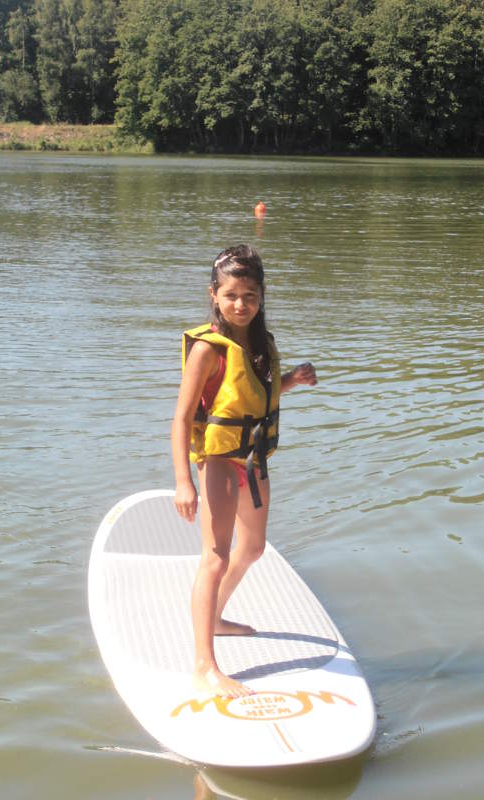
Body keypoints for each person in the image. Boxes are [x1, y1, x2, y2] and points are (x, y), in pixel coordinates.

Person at [171, 245, 317, 698]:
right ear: (213, 295)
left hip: (253, 461)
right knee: (215, 557)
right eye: (231, 295)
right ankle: (204, 667)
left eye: (250, 295)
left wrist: (291, 381)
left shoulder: (261, 344)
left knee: (252, 549)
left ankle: (214, 617)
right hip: (219, 461)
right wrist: (183, 481)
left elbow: (252, 397)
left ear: (261, 296)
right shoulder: (207, 350)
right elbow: (180, 418)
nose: (240, 304)